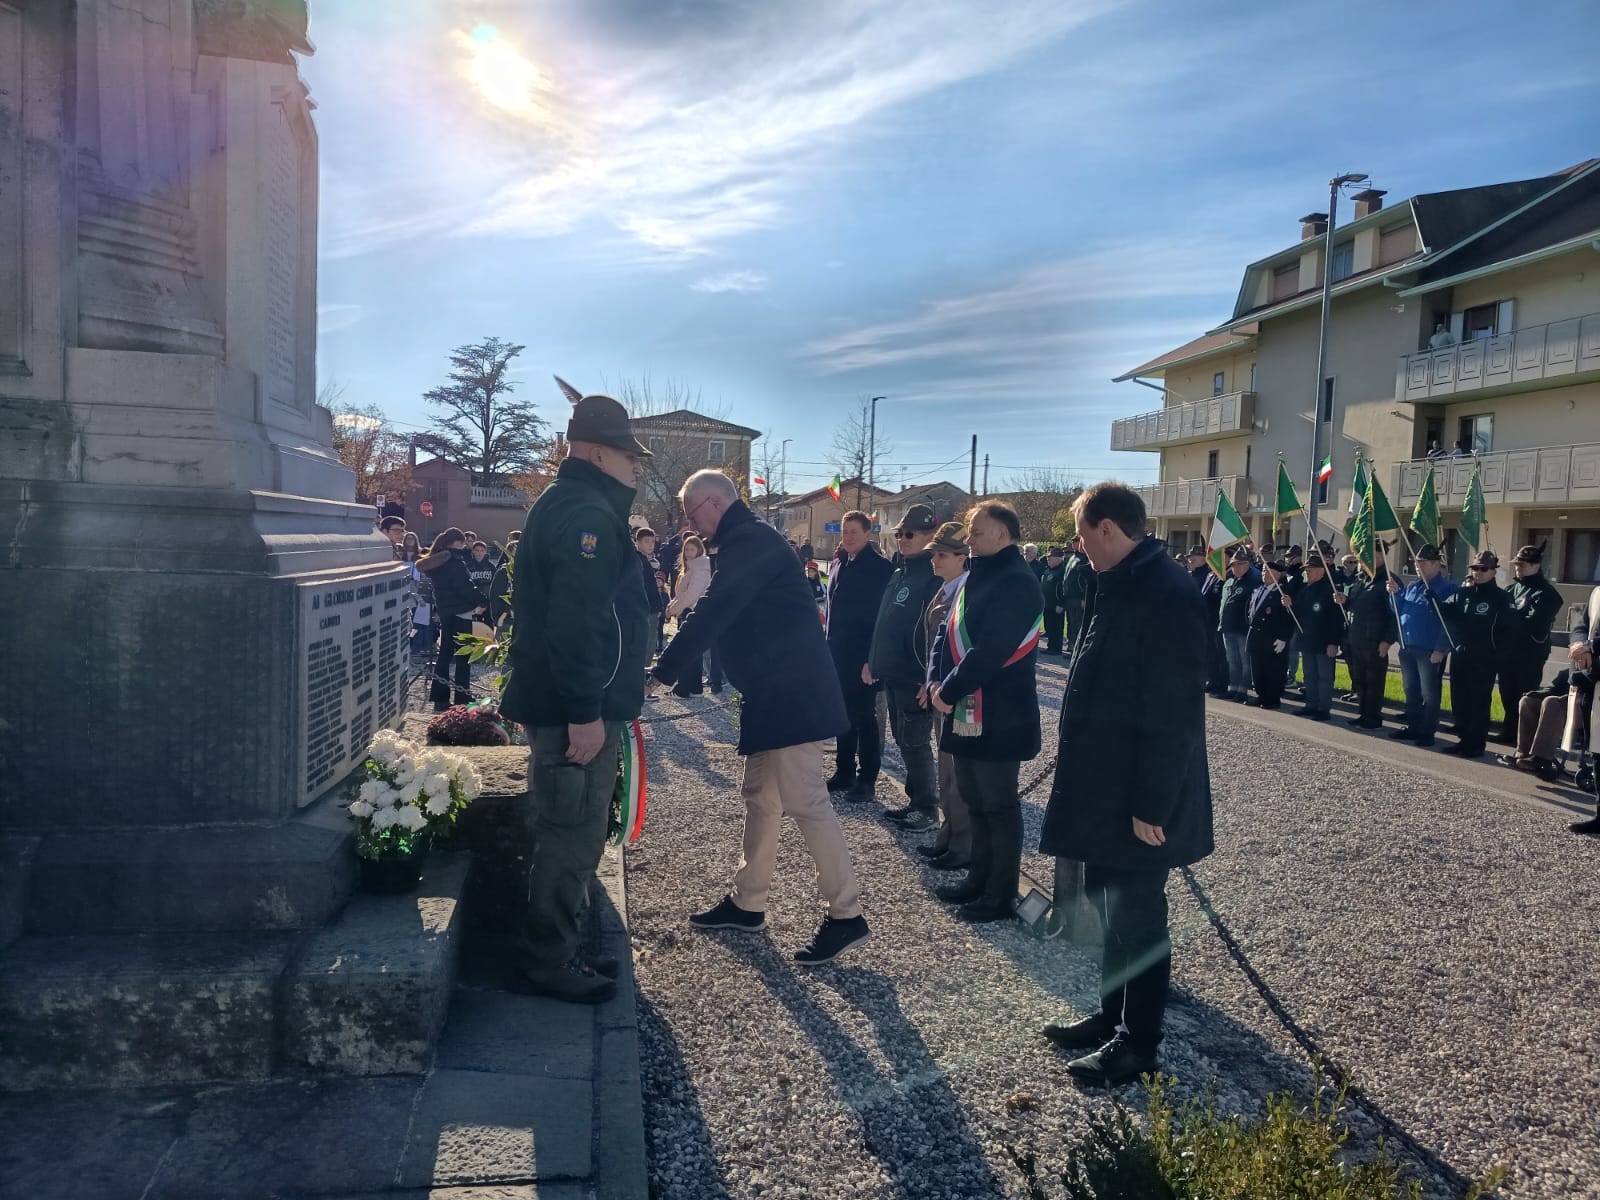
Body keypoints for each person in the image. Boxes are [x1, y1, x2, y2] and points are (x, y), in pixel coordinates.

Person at [651, 471, 869, 966]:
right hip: (776, 693)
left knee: (806, 801)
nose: (690, 524)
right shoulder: (746, 539)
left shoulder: (750, 540)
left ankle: (847, 915)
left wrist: (663, 673)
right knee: (761, 798)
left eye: (691, 513)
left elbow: (713, 609)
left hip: (791, 693)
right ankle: (748, 903)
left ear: (712, 502)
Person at [1038, 483, 1213, 1087]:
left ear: (1108, 528)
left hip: (1139, 798)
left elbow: (1175, 710)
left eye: (1083, 535)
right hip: (1108, 787)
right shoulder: (1120, 581)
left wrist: (1151, 802)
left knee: (1140, 918)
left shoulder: (1164, 591)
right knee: (1112, 908)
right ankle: (1111, 1015)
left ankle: (1138, 1044)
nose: (1080, 547)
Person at [498, 394, 654, 1004]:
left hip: (571, 705)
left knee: (572, 829)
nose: (637, 467)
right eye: (626, 454)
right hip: (575, 712)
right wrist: (586, 711)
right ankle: (548, 960)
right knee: (571, 835)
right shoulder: (587, 514)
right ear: (594, 452)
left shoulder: (572, 504)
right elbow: (578, 623)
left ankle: (559, 947)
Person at [928, 501, 1043, 924]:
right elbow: (948, 632)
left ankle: (999, 894)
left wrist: (949, 690)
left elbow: (992, 649)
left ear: (1003, 534)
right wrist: (936, 683)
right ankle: (978, 879)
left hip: (999, 712)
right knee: (974, 799)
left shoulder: (1017, 581)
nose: (969, 538)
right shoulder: (980, 575)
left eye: (977, 531)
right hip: (964, 707)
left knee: (997, 804)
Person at [866, 504, 943, 830]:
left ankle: (926, 808)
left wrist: (930, 676)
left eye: (909, 534)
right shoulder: (900, 573)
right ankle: (915, 800)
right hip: (893, 671)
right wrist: (873, 660)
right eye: (899, 533)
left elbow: (934, 631)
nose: (902, 539)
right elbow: (883, 622)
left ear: (929, 537)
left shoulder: (933, 576)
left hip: (915, 674)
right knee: (903, 738)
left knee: (915, 741)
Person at [914, 523, 973, 871]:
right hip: (940, 691)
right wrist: (929, 681)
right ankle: (950, 835)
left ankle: (962, 845)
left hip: (958, 696)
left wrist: (940, 685)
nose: (933, 559)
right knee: (947, 772)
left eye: (941, 554)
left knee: (957, 773)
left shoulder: (965, 591)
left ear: (962, 558)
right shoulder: (946, 588)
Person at [824, 511, 894, 801]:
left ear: (868, 533)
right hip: (838, 652)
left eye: (854, 531)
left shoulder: (880, 568)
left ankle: (867, 780)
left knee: (865, 719)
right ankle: (844, 771)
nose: (848, 537)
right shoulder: (840, 562)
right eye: (845, 531)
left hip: (863, 656)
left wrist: (872, 659)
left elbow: (882, 619)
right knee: (843, 716)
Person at [1439, 550, 1512, 758]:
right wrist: (1433, 599)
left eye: (1483, 569)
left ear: (1493, 571)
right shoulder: (1464, 594)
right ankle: (1463, 740)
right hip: (1461, 654)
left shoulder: (1501, 598)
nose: (1478, 572)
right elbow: (1446, 611)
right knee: (1460, 700)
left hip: (1485, 658)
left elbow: (1510, 631)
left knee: (1478, 702)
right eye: (1475, 568)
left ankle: (1476, 745)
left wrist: (1499, 657)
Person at [1387, 543, 1456, 747]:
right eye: (1416, 563)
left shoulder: (1447, 588)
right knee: (1411, 690)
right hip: (1408, 646)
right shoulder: (1413, 586)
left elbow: (1448, 622)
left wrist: (1441, 649)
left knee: (1429, 693)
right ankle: (1413, 727)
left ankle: (1427, 733)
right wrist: (1395, 594)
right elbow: (1399, 611)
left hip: (1429, 649)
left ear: (1436, 564)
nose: (1418, 566)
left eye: (1423, 563)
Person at [1499, 545, 1564, 744]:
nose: (1517, 568)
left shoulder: (1546, 593)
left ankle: (1524, 737)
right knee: (1507, 693)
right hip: (1509, 650)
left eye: (1522, 564)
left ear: (1536, 565)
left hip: (1529, 653)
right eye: (1516, 564)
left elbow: (1535, 621)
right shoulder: (1513, 588)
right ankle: (1509, 731)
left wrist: (1513, 616)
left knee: (1525, 694)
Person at [417, 527, 487, 711]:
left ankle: (440, 698)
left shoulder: (437, 561)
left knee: (445, 654)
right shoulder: (454, 561)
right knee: (464, 656)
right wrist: (482, 600)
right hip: (461, 612)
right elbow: (464, 587)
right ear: (457, 542)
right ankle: (462, 698)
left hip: (446, 611)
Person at [1338, 548, 1398, 729]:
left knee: (1374, 682)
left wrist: (1387, 640)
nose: (1364, 560)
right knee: (1360, 681)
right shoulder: (1361, 578)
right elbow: (1357, 605)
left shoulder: (1389, 580)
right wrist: (1345, 601)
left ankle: (1373, 718)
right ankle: (1363, 714)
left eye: (1370, 555)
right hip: (1357, 638)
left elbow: (1394, 614)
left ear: (1381, 556)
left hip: (1375, 640)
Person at [1282, 553, 1341, 721]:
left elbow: (1336, 619)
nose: (1307, 571)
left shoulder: (1330, 591)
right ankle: (1311, 705)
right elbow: (1298, 613)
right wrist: (1289, 606)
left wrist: (1334, 642)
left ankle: (1323, 709)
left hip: (1324, 642)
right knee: (1309, 675)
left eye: (1311, 569)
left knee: (1324, 677)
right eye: (1306, 569)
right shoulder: (1305, 589)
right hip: (1307, 640)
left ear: (1322, 570)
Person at [1245, 558, 1295, 710]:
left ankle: (1272, 699)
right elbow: (1249, 611)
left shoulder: (1283, 591)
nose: (1265, 574)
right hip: (1256, 636)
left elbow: (1289, 617)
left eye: (1269, 571)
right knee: (1258, 669)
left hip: (1272, 637)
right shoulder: (1258, 589)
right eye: (1264, 571)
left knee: (1273, 670)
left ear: (1278, 574)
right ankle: (1261, 695)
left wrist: (1284, 637)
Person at [664, 535, 711, 696]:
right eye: (687, 549)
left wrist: (673, 609)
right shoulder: (693, 567)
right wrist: (672, 606)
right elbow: (681, 593)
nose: (689, 553)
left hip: (692, 610)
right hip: (690, 609)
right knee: (693, 652)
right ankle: (694, 686)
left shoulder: (700, 568)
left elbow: (691, 594)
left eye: (692, 549)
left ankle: (685, 687)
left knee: (686, 650)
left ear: (699, 550)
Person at [1217, 547, 1259, 701]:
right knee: (1232, 660)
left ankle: (1242, 690)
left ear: (1248, 564)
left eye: (1240, 564)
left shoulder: (1254, 580)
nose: (1237, 567)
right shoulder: (1231, 580)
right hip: (1228, 627)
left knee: (1244, 661)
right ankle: (1233, 687)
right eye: (1234, 564)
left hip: (1243, 628)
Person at [1186, 545, 1227, 697]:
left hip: (1210, 619)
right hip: (1196, 619)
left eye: (1194, 557)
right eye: (1190, 557)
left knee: (1213, 653)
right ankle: (1207, 678)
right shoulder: (1196, 574)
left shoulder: (1207, 574)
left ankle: (1215, 681)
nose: (1191, 559)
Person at [634, 528, 668, 655]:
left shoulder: (647, 560)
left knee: (650, 644)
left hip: (652, 607)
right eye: (646, 541)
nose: (650, 545)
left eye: (652, 542)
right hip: (646, 608)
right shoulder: (637, 561)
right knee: (646, 646)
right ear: (637, 542)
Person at [1060, 534, 1095, 656]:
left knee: (1078, 623)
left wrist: (1084, 597)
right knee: (1070, 622)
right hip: (1069, 596)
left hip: (1078, 597)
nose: (1074, 543)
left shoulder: (1085, 559)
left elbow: (1086, 581)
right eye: (1074, 541)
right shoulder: (1072, 558)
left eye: (1077, 541)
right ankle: (1071, 646)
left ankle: (1078, 648)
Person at [1039, 547, 1069, 657]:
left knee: (1056, 627)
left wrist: (1061, 604)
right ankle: (1050, 646)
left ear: (1059, 558)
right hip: (1047, 603)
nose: (1048, 559)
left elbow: (1064, 589)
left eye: (1051, 558)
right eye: (1048, 558)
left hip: (1056, 604)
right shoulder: (1048, 570)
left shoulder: (1062, 571)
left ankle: (1056, 648)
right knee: (1049, 626)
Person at [487, 539, 516, 630]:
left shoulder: (528, 572)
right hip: (506, 620)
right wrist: (499, 617)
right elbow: (495, 595)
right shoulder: (503, 572)